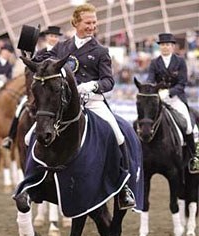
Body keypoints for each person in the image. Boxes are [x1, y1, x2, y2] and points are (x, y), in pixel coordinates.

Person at [25, 4, 135, 209]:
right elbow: (39, 60)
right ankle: (31, 180)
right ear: (76, 23)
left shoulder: (101, 51)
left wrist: (93, 85)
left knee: (118, 134)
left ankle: (124, 188)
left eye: (94, 22)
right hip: (65, 104)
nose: (92, 26)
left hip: (92, 101)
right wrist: (30, 50)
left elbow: (108, 81)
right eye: (88, 22)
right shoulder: (62, 47)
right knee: (29, 136)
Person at [2, 26, 63, 149]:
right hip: (41, 91)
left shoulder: (62, 53)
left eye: (56, 36)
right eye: (51, 36)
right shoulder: (41, 53)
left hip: (56, 91)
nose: (54, 38)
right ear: (47, 37)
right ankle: (10, 137)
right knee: (20, 108)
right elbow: (31, 68)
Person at [147, 33, 199, 174]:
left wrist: (169, 92)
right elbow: (150, 80)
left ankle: (194, 158)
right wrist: (155, 91)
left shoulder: (180, 62)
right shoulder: (154, 62)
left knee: (188, 126)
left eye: (168, 45)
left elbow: (182, 83)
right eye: (163, 45)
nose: (165, 47)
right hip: (158, 98)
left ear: (172, 46)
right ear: (160, 46)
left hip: (176, 98)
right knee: (145, 121)